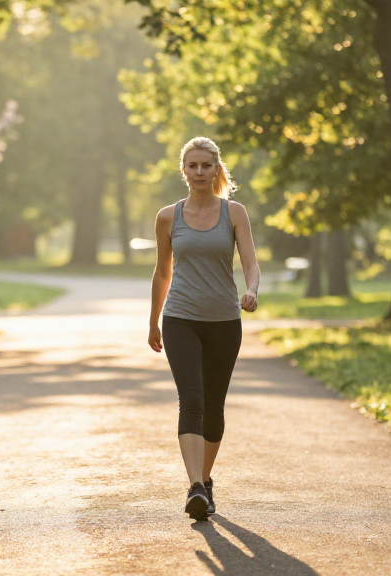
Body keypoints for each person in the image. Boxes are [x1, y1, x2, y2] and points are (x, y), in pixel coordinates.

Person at [148, 137, 260, 521]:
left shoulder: (234, 213)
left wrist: (252, 289)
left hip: (225, 322)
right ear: (184, 171)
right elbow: (162, 272)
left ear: (216, 170)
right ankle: (194, 486)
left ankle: (205, 479)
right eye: (192, 166)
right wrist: (153, 321)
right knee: (191, 401)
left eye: (205, 166)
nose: (199, 172)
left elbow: (250, 261)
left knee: (214, 408)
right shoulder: (168, 216)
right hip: (180, 318)